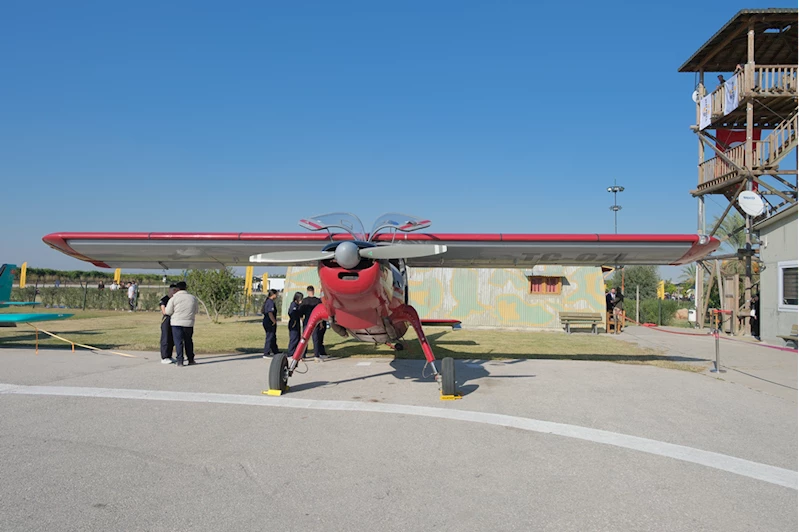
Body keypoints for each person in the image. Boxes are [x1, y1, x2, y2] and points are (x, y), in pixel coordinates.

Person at [164, 281, 199, 367]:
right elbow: (196, 310)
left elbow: (168, 311)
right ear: (186, 288)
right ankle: (191, 359)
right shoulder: (192, 298)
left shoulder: (174, 298)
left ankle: (180, 360)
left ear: (177, 289)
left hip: (176, 323)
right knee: (188, 341)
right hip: (189, 323)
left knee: (178, 342)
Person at [300, 285, 327, 358]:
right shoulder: (318, 301)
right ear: (313, 291)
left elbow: (300, 312)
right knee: (316, 339)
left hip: (307, 321)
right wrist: (321, 323)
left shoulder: (304, 301)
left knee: (305, 338)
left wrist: (302, 319)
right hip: (316, 321)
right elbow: (320, 312)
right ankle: (316, 355)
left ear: (307, 291)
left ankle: (302, 355)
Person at [159, 283, 177, 364]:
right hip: (166, 319)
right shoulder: (165, 299)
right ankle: (164, 356)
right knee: (165, 337)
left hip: (174, 319)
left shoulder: (175, 299)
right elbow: (164, 311)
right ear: (169, 290)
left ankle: (169, 355)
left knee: (171, 338)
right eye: (173, 290)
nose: (174, 292)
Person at [262, 289, 280, 358]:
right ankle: (266, 353)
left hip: (267, 321)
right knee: (269, 336)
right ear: (273, 295)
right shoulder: (270, 302)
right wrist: (274, 321)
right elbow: (270, 313)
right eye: (276, 294)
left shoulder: (268, 301)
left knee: (273, 337)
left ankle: (275, 351)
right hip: (269, 322)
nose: (277, 296)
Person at [286, 291, 304, 358]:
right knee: (294, 338)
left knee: (297, 338)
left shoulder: (298, 305)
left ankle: (296, 353)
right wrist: (294, 321)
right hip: (294, 322)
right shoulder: (293, 304)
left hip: (297, 323)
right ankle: (290, 353)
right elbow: (291, 313)